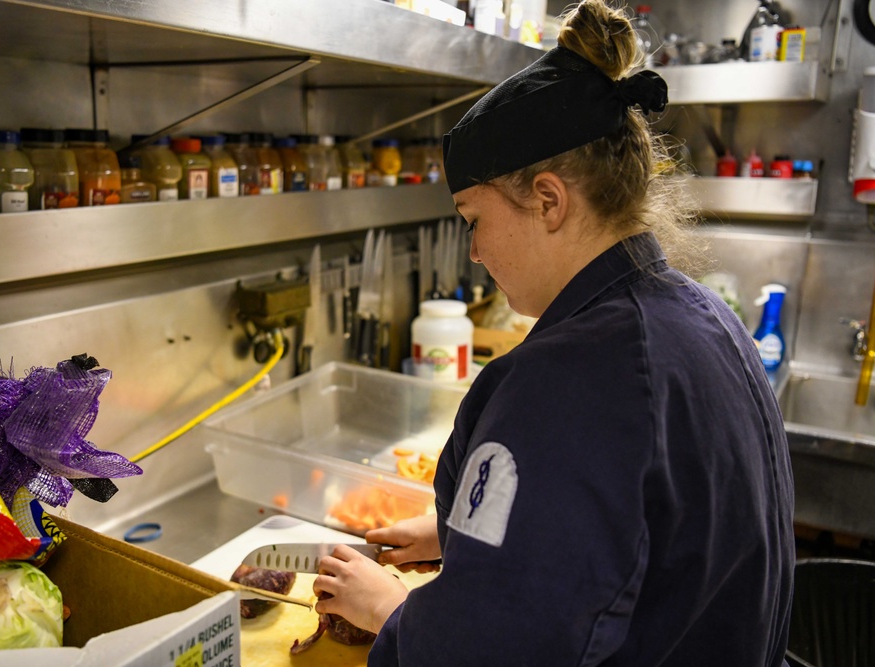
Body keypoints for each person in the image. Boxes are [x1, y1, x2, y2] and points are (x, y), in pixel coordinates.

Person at [312, 1, 796, 665]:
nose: (475, 253)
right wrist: (468, 539)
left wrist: (391, 608)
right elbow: (634, 543)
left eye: (472, 220)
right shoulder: (705, 319)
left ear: (548, 200)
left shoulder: (573, 381)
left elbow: (493, 648)